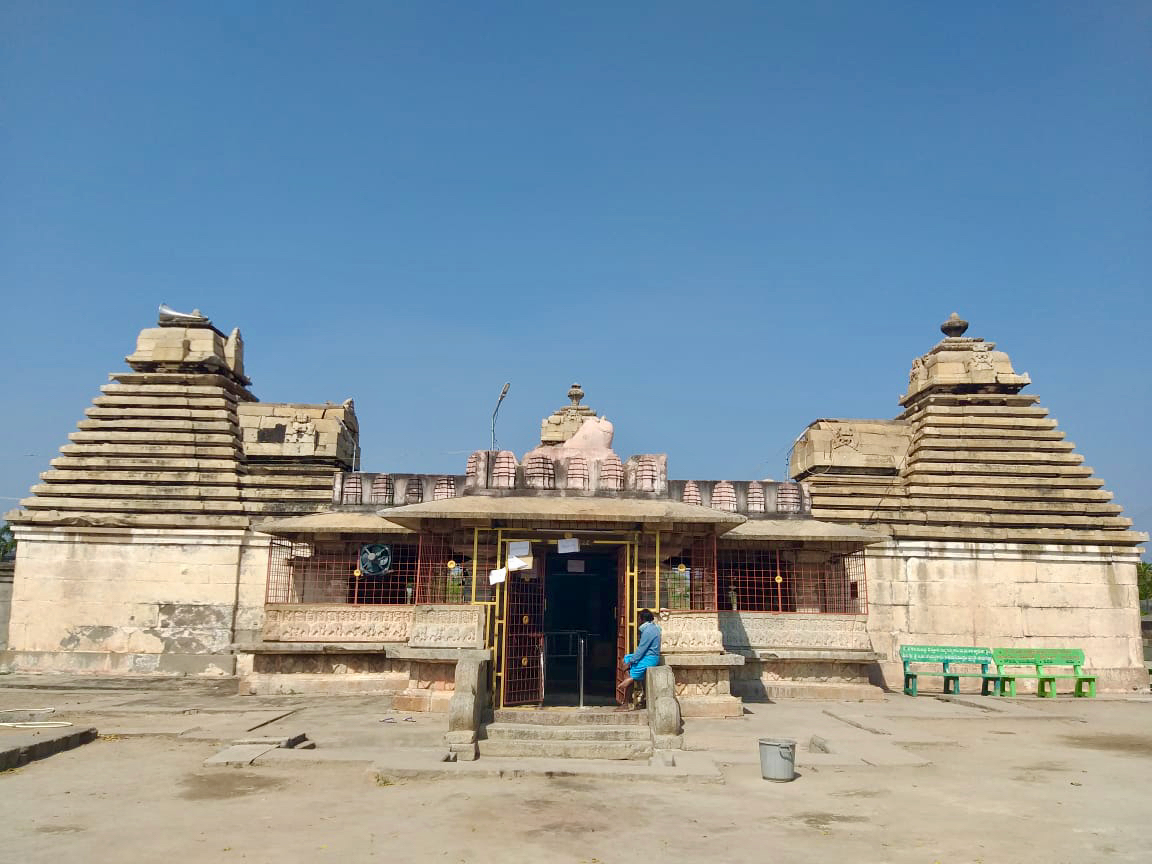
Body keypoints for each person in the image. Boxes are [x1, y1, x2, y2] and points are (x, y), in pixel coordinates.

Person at [616, 609, 661, 710]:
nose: (637, 621)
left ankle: (626, 701)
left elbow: (642, 649)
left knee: (629, 668)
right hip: (647, 656)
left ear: (642, 619)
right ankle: (629, 679)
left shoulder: (649, 631)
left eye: (639, 618)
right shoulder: (653, 628)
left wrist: (632, 662)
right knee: (625, 659)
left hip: (649, 658)